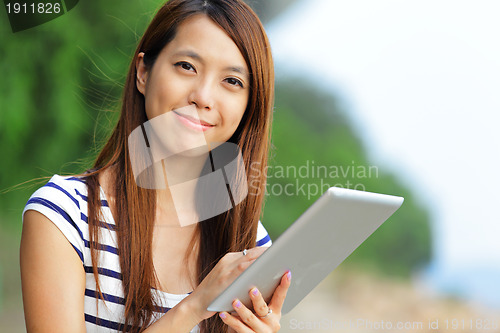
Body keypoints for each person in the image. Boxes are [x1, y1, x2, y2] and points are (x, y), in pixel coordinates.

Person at [19, 0, 291, 332]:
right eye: (187, 66)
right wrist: (192, 309)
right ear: (143, 72)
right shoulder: (65, 214)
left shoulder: (250, 245)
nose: (203, 96)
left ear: (250, 106)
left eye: (232, 81)